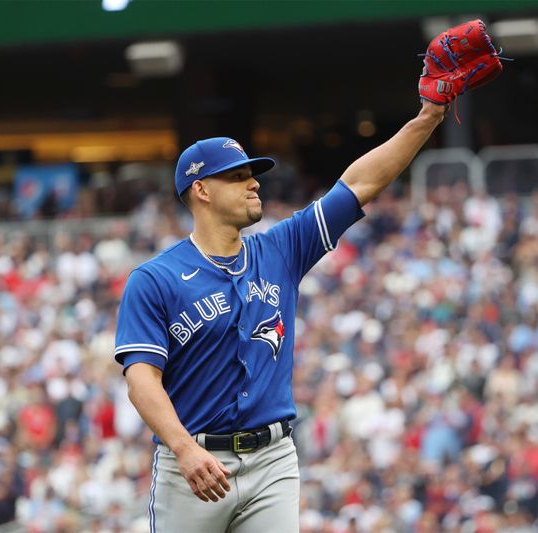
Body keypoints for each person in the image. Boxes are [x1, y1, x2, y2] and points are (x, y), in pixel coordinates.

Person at [114, 20, 501, 533]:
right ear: (200, 190)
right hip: (194, 464)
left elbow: (359, 184)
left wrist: (428, 117)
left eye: (252, 173)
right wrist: (184, 450)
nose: (254, 182)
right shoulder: (154, 279)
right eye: (237, 176)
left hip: (274, 458)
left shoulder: (280, 249)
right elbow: (141, 380)